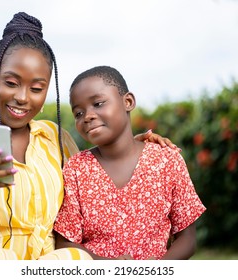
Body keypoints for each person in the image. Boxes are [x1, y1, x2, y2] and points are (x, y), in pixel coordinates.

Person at [0, 12, 176, 260]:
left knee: (74, 259)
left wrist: (133, 148)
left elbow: (94, 178)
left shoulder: (54, 138)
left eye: (37, 88)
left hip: (50, 267)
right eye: (11, 83)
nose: (23, 97)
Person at [53, 66, 206, 260]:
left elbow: (187, 238)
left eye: (98, 103)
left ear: (128, 101)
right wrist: (110, 267)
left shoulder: (167, 160)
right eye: (78, 113)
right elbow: (65, 242)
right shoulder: (76, 169)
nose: (88, 116)